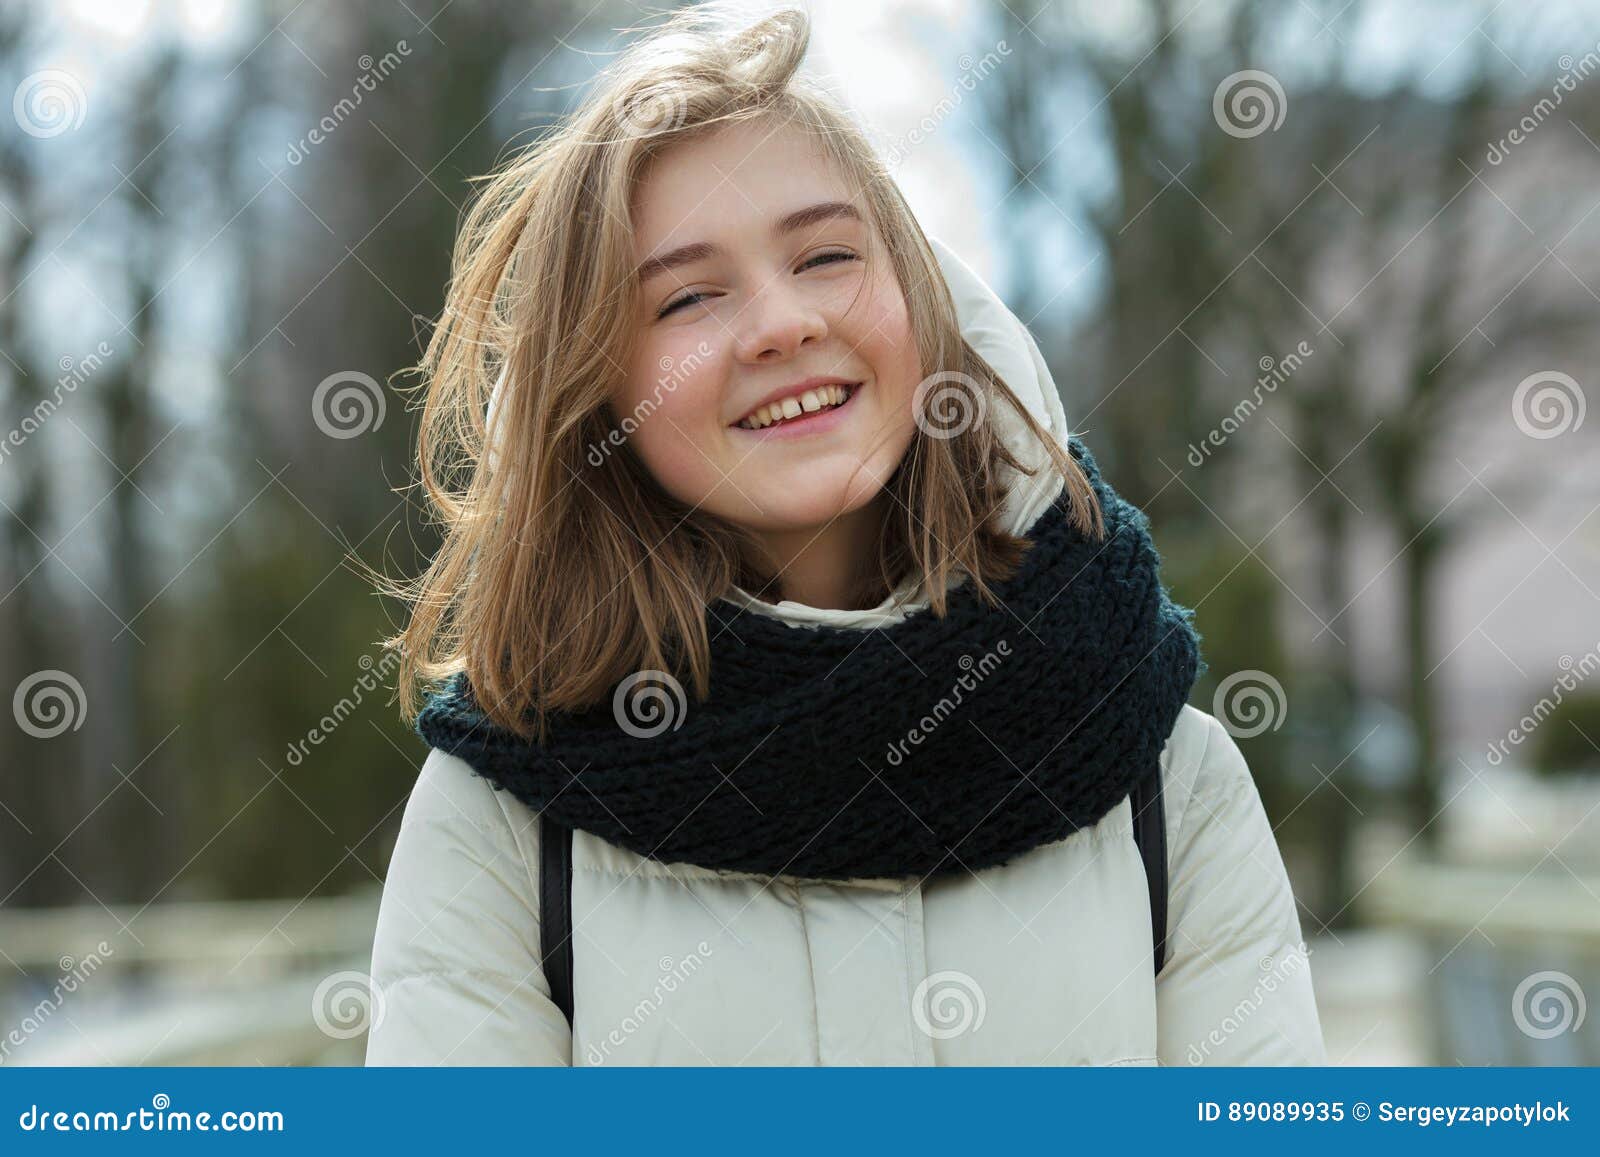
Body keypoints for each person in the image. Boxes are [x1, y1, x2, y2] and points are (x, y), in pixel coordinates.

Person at [363, 3, 1325, 1066]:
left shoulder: (1166, 779)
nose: (781, 322)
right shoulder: (499, 825)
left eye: (824, 256)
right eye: (688, 297)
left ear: (920, 300)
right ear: (598, 392)